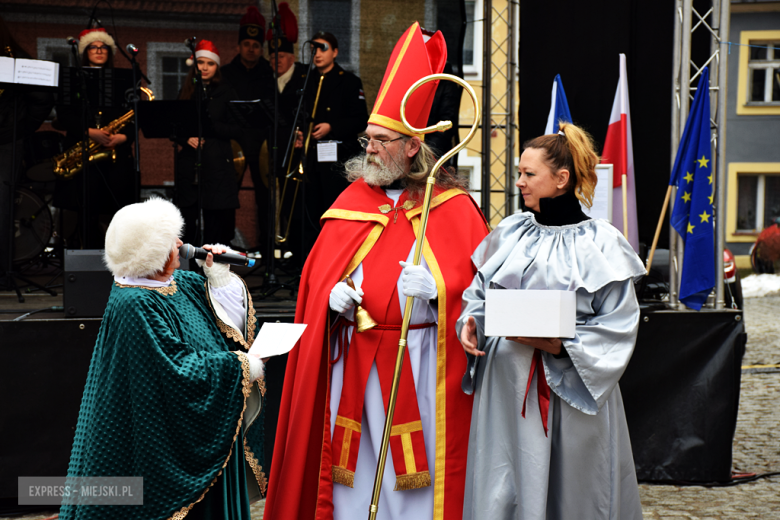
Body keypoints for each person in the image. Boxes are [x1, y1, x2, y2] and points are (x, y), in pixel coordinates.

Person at [263, 22, 489, 520]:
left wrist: (440, 293)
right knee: (354, 466)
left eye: (382, 141)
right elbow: (317, 281)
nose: (368, 148)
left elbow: (481, 293)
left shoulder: (450, 207)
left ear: (413, 146)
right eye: (367, 138)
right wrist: (330, 299)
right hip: (354, 360)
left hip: (425, 362)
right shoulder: (349, 202)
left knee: (417, 472)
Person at [457, 122, 646, 520]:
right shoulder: (511, 232)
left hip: (572, 393)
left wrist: (562, 346)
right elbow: (478, 293)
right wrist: (470, 322)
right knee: (506, 481)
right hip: (507, 392)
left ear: (561, 179)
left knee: (573, 490)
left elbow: (620, 323)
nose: (520, 182)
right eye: (519, 173)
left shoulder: (601, 243)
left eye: (529, 174)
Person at [58, 197, 267, 520]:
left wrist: (220, 278)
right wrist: (240, 367)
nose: (181, 244)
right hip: (165, 438)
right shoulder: (134, 303)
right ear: (152, 254)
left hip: (203, 426)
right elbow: (177, 371)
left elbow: (228, 325)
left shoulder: (179, 282)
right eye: (172, 241)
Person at [53, 27, 135, 249]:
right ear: (84, 51)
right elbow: (64, 115)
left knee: (117, 208)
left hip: (115, 158)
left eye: (103, 47)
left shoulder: (122, 81)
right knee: (85, 207)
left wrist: (123, 137)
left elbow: (135, 118)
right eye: (93, 47)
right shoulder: (73, 81)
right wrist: (90, 132)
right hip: (84, 152)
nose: (99, 51)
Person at [174, 40, 243, 246]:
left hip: (217, 165)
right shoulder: (186, 91)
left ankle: (212, 271)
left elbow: (238, 128)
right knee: (187, 222)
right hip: (190, 164)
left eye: (210, 64)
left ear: (217, 66)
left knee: (216, 224)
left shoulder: (227, 91)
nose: (204, 68)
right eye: (200, 63)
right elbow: (173, 125)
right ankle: (189, 269)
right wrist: (186, 138)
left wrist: (211, 128)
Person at [0, 15, 54, 275]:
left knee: (2, 204)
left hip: (6, 142)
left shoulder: (16, 58)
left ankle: (2, 271)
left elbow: (42, 98)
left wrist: (18, 129)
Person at [220, 6, 275, 252]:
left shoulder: (270, 73)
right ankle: (225, 241)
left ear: (260, 48)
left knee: (265, 196)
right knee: (229, 193)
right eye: (246, 44)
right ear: (238, 47)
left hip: (263, 142)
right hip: (235, 141)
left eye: (255, 44)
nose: (251, 48)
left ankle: (266, 243)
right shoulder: (226, 74)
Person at [303, 31, 368, 229]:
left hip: (338, 159)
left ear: (335, 52)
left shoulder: (349, 81)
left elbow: (361, 120)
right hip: (310, 158)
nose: (317, 54)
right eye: (314, 49)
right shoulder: (305, 80)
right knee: (309, 211)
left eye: (323, 48)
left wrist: (332, 127)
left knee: (334, 208)